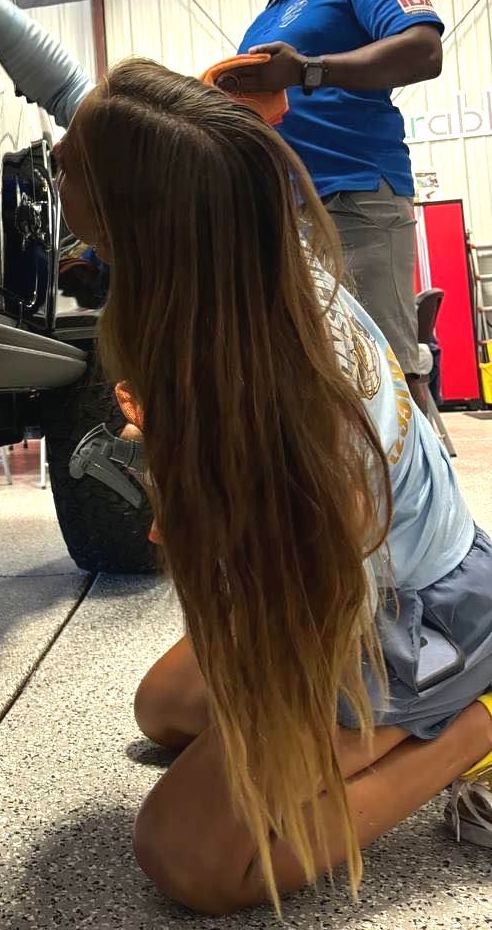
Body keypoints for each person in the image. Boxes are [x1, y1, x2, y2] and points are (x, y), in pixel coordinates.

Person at [52, 61, 492, 913]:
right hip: (403, 582)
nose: (58, 151)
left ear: (135, 222)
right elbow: (95, 112)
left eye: (73, 158)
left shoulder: (287, 394)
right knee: (165, 709)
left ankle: (473, 720)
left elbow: (326, 602)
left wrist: (194, 507)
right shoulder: (243, 267)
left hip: (402, 617)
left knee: (187, 854)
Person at [224, 0, 444, 411]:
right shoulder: (265, 19)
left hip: (354, 199)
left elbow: (423, 50)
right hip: (285, 217)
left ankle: (414, 496)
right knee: (313, 385)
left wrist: (309, 71)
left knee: (380, 379)